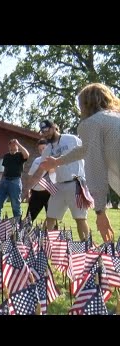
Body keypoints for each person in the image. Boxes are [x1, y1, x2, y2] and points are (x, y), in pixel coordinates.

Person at [40, 83, 120, 242]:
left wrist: (100, 212)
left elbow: (96, 167)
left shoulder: (91, 124)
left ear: (86, 104)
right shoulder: (114, 118)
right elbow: (85, 149)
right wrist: (57, 161)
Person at [27, 120, 90, 241]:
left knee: (80, 218)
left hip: (76, 183)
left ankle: (86, 247)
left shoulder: (71, 139)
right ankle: (47, 246)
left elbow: (86, 152)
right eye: (43, 132)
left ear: (55, 127)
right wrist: (27, 188)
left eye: (47, 130)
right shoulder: (47, 149)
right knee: (50, 217)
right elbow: (40, 172)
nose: (46, 134)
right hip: (59, 185)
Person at [0, 139, 29, 221]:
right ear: (9, 146)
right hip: (5, 181)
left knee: (15, 204)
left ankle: (17, 223)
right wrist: (1, 182)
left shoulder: (20, 155)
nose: (12, 147)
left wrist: (19, 144)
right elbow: (5, 169)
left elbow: (27, 155)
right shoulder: (6, 156)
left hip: (15, 181)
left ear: (17, 146)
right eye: (11, 145)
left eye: (14, 145)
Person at [25, 139, 55, 222]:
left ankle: (51, 234)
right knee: (29, 218)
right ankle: (23, 234)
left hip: (49, 192)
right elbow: (30, 175)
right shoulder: (36, 160)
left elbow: (53, 171)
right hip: (36, 193)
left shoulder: (54, 159)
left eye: (44, 148)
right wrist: (28, 189)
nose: (42, 151)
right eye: (40, 149)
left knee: (51, 218)